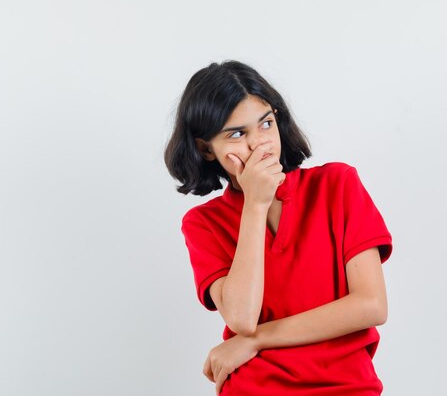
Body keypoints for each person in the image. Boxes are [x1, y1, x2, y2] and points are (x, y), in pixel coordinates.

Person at [164, 60, 393, 396]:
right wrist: (255, 205)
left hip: (349, 387)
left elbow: (371, 306)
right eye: (238, 134)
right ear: (205, 149)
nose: (260, 144)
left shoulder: (337, 185)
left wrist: (253, 341)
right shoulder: (203, 224)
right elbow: (241, 318)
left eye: (266, 124)